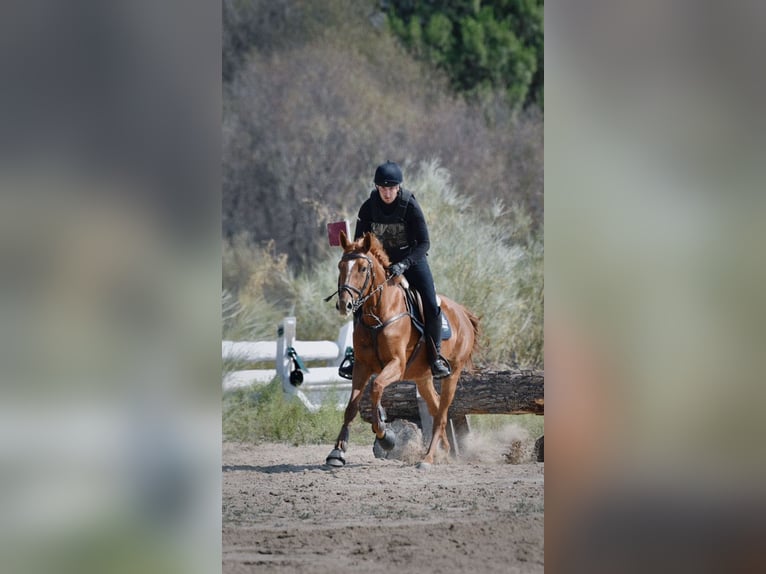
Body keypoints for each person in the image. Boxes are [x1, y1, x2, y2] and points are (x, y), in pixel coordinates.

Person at [338, 161, 451, 380]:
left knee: (429, 301)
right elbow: (361, 245)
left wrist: (404, 264)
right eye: (383, 188)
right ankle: (356, 357)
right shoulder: (368, 208)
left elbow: (424, 244)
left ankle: (435, 356)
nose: (387, 193)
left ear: (398, 187)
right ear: (377, 188)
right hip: (380, 264)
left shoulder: (409, 205)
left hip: (411, 260)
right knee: (358, 301)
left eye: (391, 188)